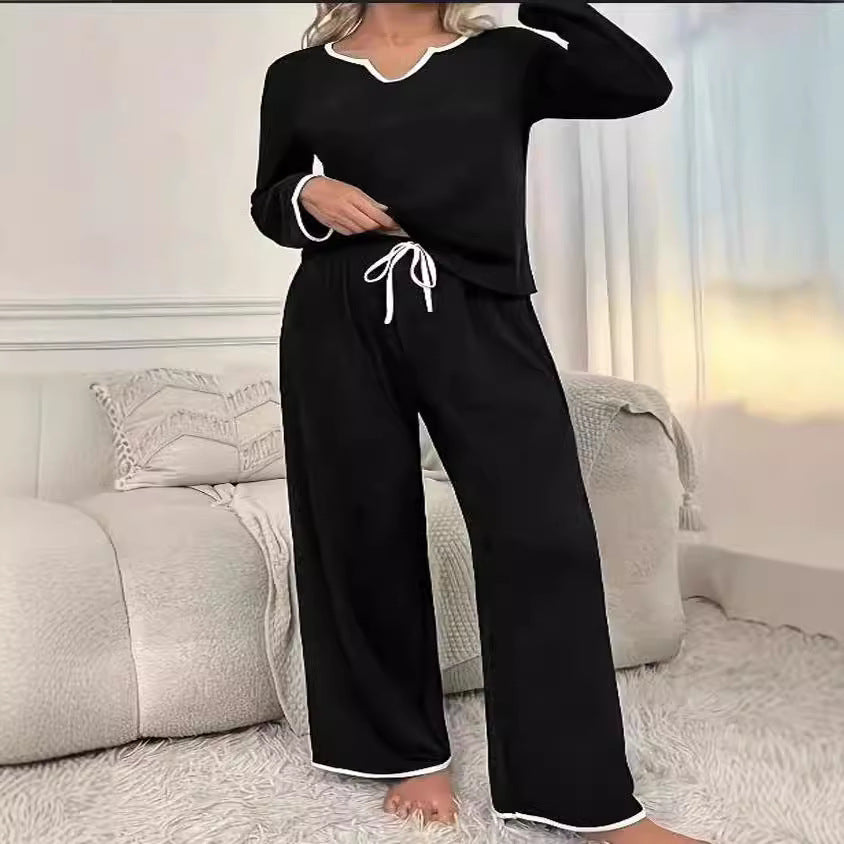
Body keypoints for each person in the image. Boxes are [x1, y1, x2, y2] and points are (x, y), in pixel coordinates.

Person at [250, 2, 706, 842]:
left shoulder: (505, 57)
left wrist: (549, 7)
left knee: (543, 535)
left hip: (479, 307)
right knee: (361, 529)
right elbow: (267, 203)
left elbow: (638, 85)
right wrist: (306, 193)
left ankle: (583, 797)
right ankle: (404, 753)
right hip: (337, 314)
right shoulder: (299, 76)